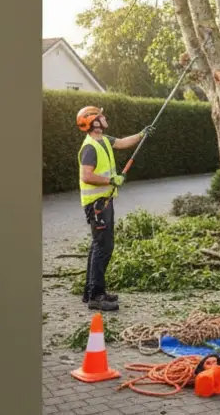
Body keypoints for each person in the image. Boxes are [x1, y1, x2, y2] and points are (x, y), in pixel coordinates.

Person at [75, 105, 154, 310]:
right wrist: (111, 179)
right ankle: (96, 297)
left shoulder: (103, 140)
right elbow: (87, 176)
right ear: (93, 121)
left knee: (98, 246)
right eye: (101, 115)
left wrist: (141, 134)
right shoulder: (90, 146)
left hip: (105, 201)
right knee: (103, 247)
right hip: (97, 204)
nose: (105, 117)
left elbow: (121, 142)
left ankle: (91, 292)